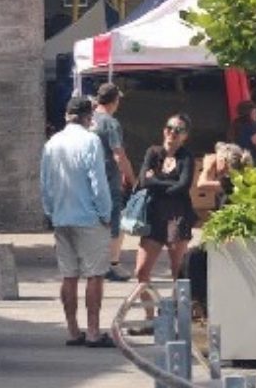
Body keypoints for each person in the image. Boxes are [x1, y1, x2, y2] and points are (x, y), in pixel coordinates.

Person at [40, 95, 114, 347]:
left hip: (62, 216)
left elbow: (45, 184)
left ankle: (73, 330)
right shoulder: (91, 141)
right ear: (87, 117)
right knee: (95, 274)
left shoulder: (52, 143)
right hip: (88, 217)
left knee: (68, 275)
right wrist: (106, 213)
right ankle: (93, 331)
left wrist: (51, 212)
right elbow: (98, 182)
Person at [131, 113, 197, 328]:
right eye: (169, 128)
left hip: (177, 216)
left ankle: (179, 318)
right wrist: (167, 184)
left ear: (185, 136)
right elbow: (143, 180)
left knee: (177, 269)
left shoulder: (186, 157)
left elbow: (184, 185)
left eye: (178, 130)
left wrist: (156, 181)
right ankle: (150, 317)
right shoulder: (153, 152)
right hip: (154, 215)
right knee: (141, 270)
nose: (172, 133)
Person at [91, 83, 135, 282]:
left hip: (88, 179)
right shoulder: (110, 123)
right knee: (114, 220)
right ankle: (112, 264)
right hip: (108, 178)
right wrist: (132, 178)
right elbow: (118, 155)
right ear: (115, 101)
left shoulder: (87, 120)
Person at [196, 142, 253, 210]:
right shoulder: (243, 178)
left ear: (222, 161)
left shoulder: (231, 182)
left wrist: (207, 166)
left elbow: (201, 184)